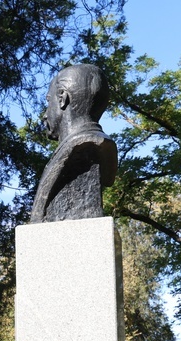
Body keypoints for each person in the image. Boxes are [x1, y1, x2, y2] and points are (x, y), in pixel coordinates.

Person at [30, 63, 117, 223]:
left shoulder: (83, 147)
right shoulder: (92, 145)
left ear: (62, 98)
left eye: (49, 102)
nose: (44, 115)